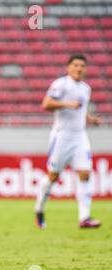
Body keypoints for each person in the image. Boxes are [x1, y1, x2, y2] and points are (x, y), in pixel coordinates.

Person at [34, 54, 102, 229]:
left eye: (82, 66)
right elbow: (46, 104)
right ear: (69, 67)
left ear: (86, 69)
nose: (79, 68)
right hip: (62, 136)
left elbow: (81, 109)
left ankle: (84, 218)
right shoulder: (61, 84)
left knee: (85, 174)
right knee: (53, 176)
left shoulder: (86, 88)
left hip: (80, 136)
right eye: (76, 65)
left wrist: (91, 119)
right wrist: (67, 104)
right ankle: (39, 208)